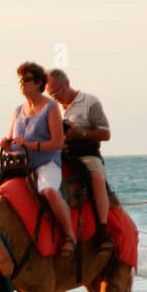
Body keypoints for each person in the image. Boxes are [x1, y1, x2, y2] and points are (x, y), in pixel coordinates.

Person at [0, 62, 76, 258]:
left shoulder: (50, 108)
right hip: (18, 165)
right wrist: (6, 144)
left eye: (26, 80)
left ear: (39, 83)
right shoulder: (17, 111)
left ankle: (69, 235)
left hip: (45, 163)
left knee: (49, 191)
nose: (22, 83)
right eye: (20, 79)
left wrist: (30, 144)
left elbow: (58, 143)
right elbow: (12, 140)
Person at [46, 68, 113, 247]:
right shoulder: (52, 108)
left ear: (66, 84)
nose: (54, 97)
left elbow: (106, 134)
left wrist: (80, 133)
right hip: (61, 154)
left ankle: (102, 229)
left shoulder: (90, 102)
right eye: (50, 94)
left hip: (86, 153)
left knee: (97, 178)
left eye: (56, 92)